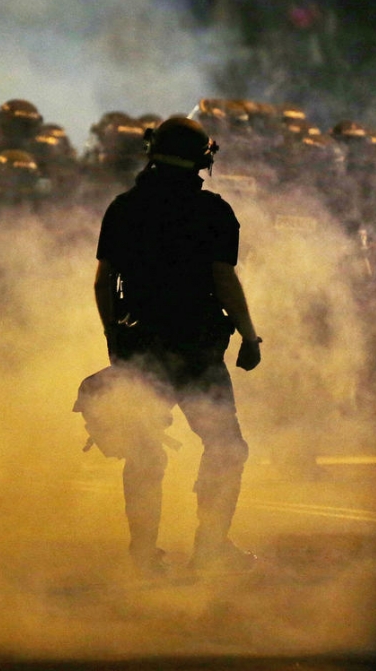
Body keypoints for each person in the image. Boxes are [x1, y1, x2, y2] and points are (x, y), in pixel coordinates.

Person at [85, 115, 262, 577]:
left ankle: (143, 556)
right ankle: (210, 548)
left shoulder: (123, 208)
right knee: (225, 446)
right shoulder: (213, 212)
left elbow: (104, 282)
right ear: (203, 159)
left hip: (141, 346)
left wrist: (114, 339)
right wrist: (248, 333)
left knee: (145, 452)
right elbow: (223, 279)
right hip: (197, 349)